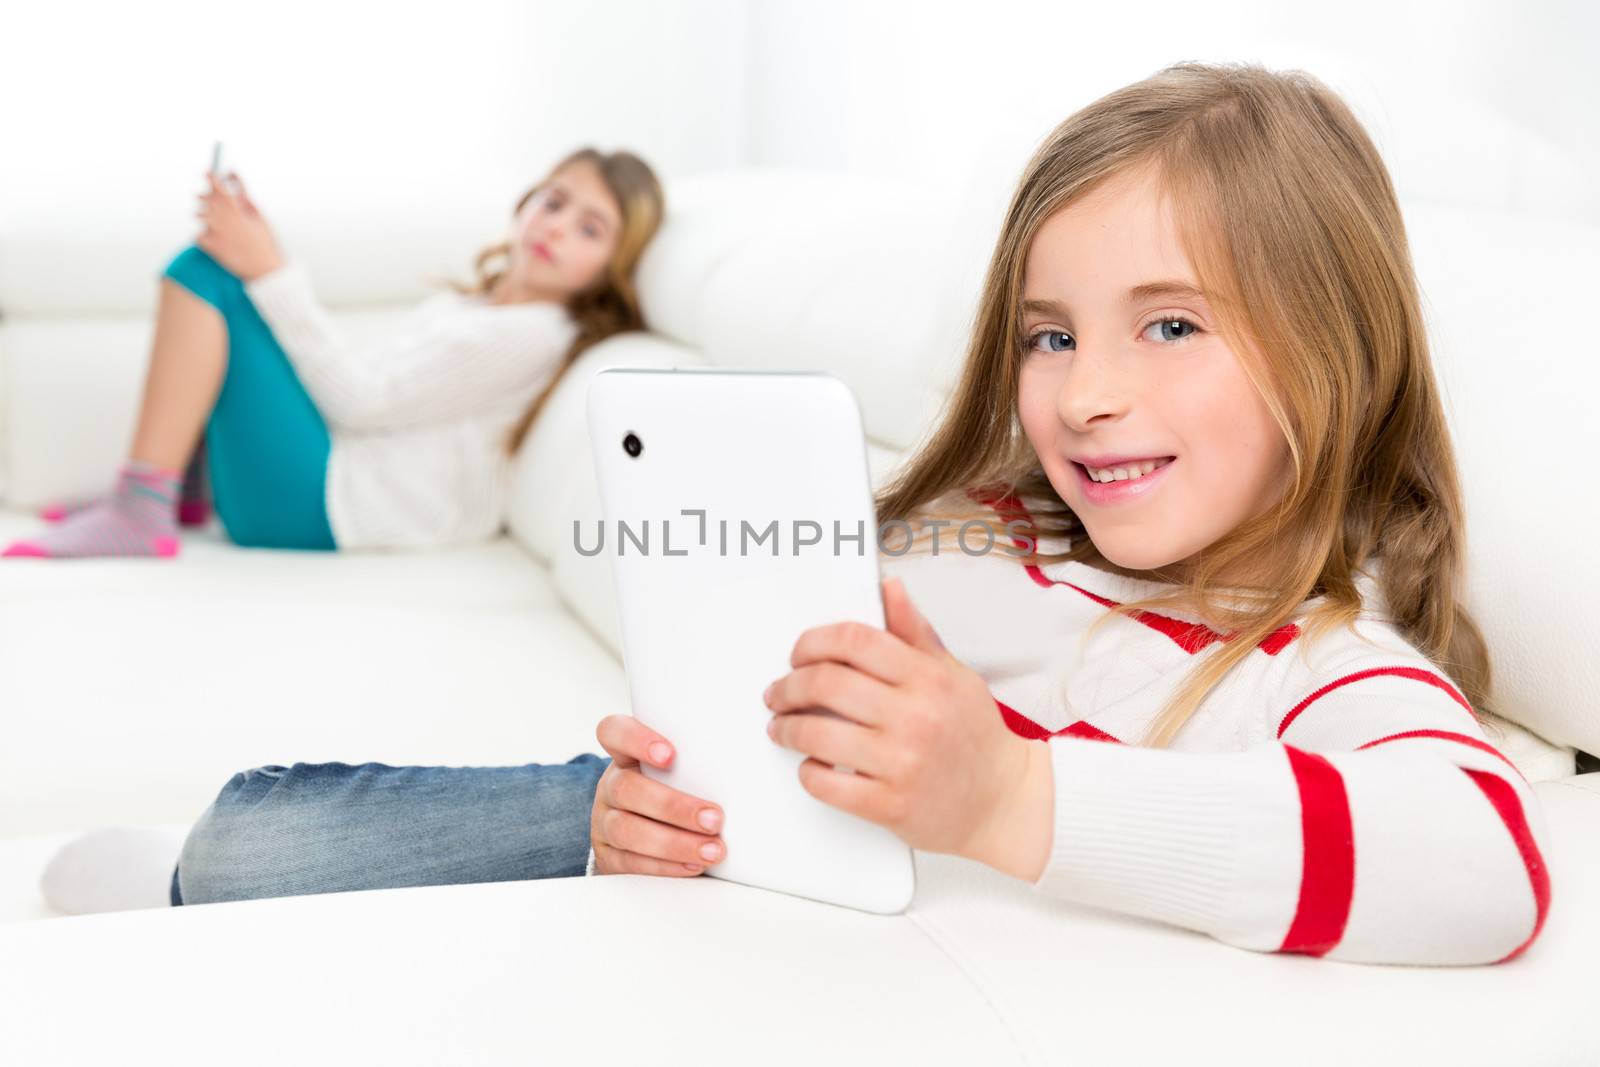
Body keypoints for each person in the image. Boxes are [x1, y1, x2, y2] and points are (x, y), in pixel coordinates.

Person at [46, 63, 1551, 967]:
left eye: (1169, 327)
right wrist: (694, 726)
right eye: (1049, 333)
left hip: (849, 897)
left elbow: (1480, 862)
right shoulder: (1001, 535)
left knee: (258, 860)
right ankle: (207, 870)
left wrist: (1008, 796)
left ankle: (206, 874)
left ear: (1334, 348)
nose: (1087, 391)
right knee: (280, 833)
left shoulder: (1320, 659)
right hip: (710, 834)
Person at [3, 147, 664, 558]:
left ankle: (142, 505)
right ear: (526, 203)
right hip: (320, 482)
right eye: (554, 201)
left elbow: (359, 402)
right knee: (228, 271)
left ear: (612, 267)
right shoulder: (471, 306)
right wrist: (270, 264)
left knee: (207, 271)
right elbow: (366, 379)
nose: (555, 226)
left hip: (327, 505)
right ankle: (164, 493)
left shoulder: (532, 334)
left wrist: (270, 272)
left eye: (589, 228)